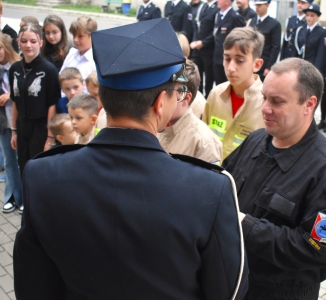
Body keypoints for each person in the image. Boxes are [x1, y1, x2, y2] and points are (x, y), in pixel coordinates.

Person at [13, 18, 248, 299]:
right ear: (161, 103)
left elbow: (32, 285)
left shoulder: (42, 176)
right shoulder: (211, 190)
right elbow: (227, 290)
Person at [223, 58, 326, 299]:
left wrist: (245, 224)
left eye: (277, 101)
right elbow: (223, 182)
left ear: (309, 104)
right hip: (234, 279)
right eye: (265, 97)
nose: (264, 108)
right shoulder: (256, 140)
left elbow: (317, 249)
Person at [204, 27, 264, 160]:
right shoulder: (215, 94)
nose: (231, 68)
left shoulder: (266, 103)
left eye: (240, 60)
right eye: (227, 59)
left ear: (257, 65)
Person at [9, 23, 60, 176]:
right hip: (22, 125)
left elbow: (52, 105)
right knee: (23, 168)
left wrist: (50, 138)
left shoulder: (49, 70)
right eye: (24, 41)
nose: (28, 45)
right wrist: (14, 131)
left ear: (41, 42)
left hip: (41, 127)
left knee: (38, 169)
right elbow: (15, 101)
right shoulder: (15, 69)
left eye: (33, 41)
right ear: (18, 42)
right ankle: (26, 200)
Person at [158, 59, 222, 163]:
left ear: (185, 98)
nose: (160, 100)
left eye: (168, 93)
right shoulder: (156, 127)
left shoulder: (204, 143)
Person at [0, 33, 22, 214]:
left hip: (21, 121)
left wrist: (10, 96)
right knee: (9, 161)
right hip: (3, 122)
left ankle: (23, 197)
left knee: (22, 159)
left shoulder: (18, 66)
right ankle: (10, 197)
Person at [60, 16, 97, 95]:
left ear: (92, 36)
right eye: (74, 35)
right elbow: (61, 78)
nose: (75, 40)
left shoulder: (95, 60)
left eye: (80, 36)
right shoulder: (72, 54)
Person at [190, 0, 219, 97]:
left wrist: (203, 43)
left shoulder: (217, 7)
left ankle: (208, 98)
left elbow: (215, 30)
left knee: (209, 78)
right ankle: (198, 96)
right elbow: (196, 25)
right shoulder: (202, 6)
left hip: (208, 49)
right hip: (197, 49)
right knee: (197, 75)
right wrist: (194, 40)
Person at [247, 0, 281, 82]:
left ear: (267, 5)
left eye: (260, 5)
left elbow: (275, 47)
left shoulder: (274, 24)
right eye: (256, 5)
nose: (257, 7)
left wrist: (269, 67)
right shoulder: (252, 21)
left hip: (264, 64)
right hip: (251, 63)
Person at [213, 0, 245, 85]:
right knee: (218, 85)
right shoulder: (218, 15)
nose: (218, 1)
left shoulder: (235, 17)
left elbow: (241, 39)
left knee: (228, 84)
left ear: (227, 2)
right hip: (217, 57)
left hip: (229, 59)